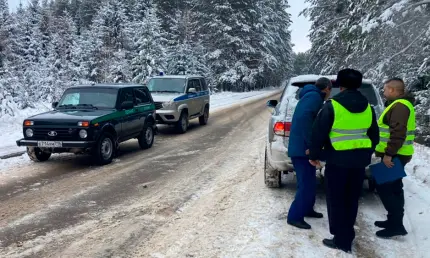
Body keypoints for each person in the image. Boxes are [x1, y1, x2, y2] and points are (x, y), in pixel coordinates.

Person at [308, 69, 379, 253]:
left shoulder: (332, 106)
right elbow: (374, 137)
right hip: (359, 163)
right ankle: (347, 235)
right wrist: (365, 153)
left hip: (337, 162)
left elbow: (318, 134)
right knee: (351, 199)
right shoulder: (369, 108)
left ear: (341, 85)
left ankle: (341, 238)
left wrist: (314, 156)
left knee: (336, 199)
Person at [287, 77, 332, 230]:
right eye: (330, 90)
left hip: (301, 147)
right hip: (302, 149)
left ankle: (307, 209)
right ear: (326, 88)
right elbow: (305, 118)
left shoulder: (311, 96)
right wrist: (311, 145)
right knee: (305, 184)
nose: (330, 93)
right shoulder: (314, 97)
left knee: (309, 182)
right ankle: (294, 216)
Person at [373, 78, 415, 238]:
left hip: (394, 154)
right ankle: (393, 221)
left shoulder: (399, 107)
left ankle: (396, 225)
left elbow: (398, 133)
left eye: (385, 89)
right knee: (393, 187)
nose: (383, 92)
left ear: (392, 90)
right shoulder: (400, 105)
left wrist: (389, 154)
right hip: (398, 153)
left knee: (387, 189)